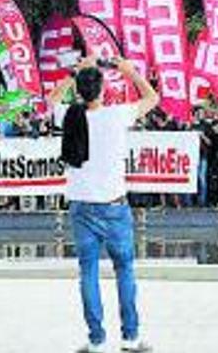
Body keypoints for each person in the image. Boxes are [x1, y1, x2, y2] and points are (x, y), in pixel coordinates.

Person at [48, 55, 157, 353]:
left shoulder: (69, 115)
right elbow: (152, 97)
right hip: (114, 205)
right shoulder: (117, 115)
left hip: (82, 205)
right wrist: (130, 71)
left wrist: (75, 71)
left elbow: (50, 98)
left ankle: (96, 340)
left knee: (88, 272)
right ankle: (130, 337)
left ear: (79, 91)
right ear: (103, 90)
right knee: (124, 269)